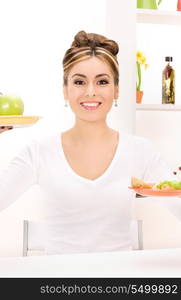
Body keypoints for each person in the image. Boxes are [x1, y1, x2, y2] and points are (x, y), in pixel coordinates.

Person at [0, 30, 181, 255]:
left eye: (102, 81)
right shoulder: (38, 153)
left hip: (120, 284)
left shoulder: (141, 151)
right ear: (65, 90)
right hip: (56, 284)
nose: (90, 92)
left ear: (116, 90)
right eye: (79, 82)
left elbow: (177, 204)